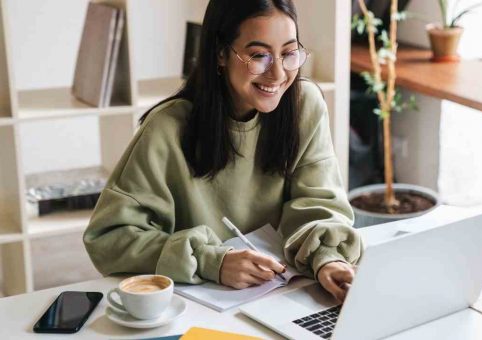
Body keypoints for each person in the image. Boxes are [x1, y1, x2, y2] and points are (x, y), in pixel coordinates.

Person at [83, 0, 362, 303]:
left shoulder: (304, 105)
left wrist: (328, 258)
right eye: (259, 56)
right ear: (220, 53)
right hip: (197, 304)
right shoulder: (167, 127)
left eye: (288, 53)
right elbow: (109, 238)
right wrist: (211, 261)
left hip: (285, 293)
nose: (278, 74)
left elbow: (320, 202)